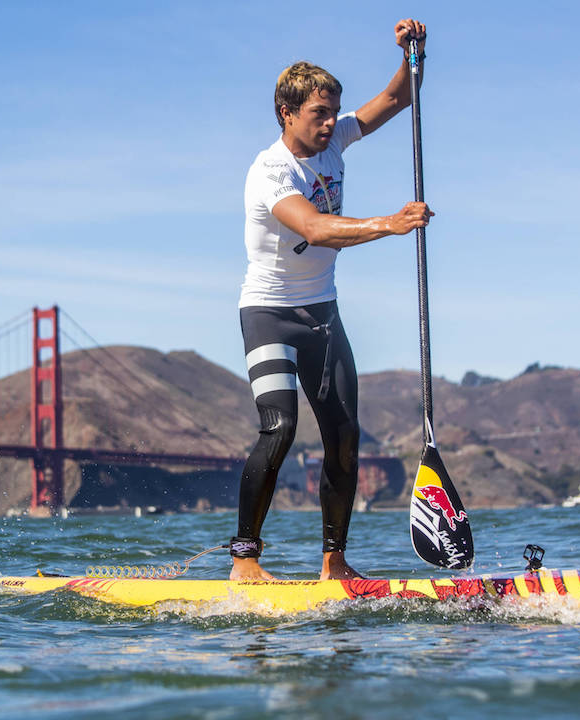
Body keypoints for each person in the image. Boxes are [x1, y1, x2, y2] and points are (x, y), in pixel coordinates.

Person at [231, 18, 433, 581]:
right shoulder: (270, 171)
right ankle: (244, 561)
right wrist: (390, 225)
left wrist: (414, 53)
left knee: (345, 437)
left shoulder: (336, 139)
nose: (329, 124)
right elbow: (315, 229)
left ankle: (334, 563)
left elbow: (400, 95)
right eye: (318, 114)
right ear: (286, 114)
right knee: (280, 429)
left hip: (323, 315)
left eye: (332, 112)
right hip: (269, 315)